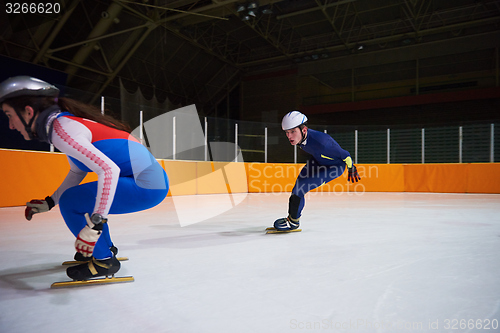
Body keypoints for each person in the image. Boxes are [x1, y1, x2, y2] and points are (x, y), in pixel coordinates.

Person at [0, 76, 169, 280]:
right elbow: (77, 172)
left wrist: (95, 224)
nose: (10, 125)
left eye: (9, 115)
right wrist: (50, 201)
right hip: (151, 182)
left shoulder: (61, 130)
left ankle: (104, 261)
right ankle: (105, 250)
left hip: (147, 185)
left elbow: (109, 170)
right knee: (82, 197)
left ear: (28, 112)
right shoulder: (64, 124)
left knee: (72, 200)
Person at [274, 111, 360, 231]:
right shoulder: (300, 138)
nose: (289, 136)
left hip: (334, 168)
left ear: (304, 130)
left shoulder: (324, 143)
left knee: (301, 188)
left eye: (293, 131)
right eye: (287, 132)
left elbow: (345, 155)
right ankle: (292, 219)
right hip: (318, 161)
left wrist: (351, 167)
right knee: (297, 188)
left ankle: (293, 223)